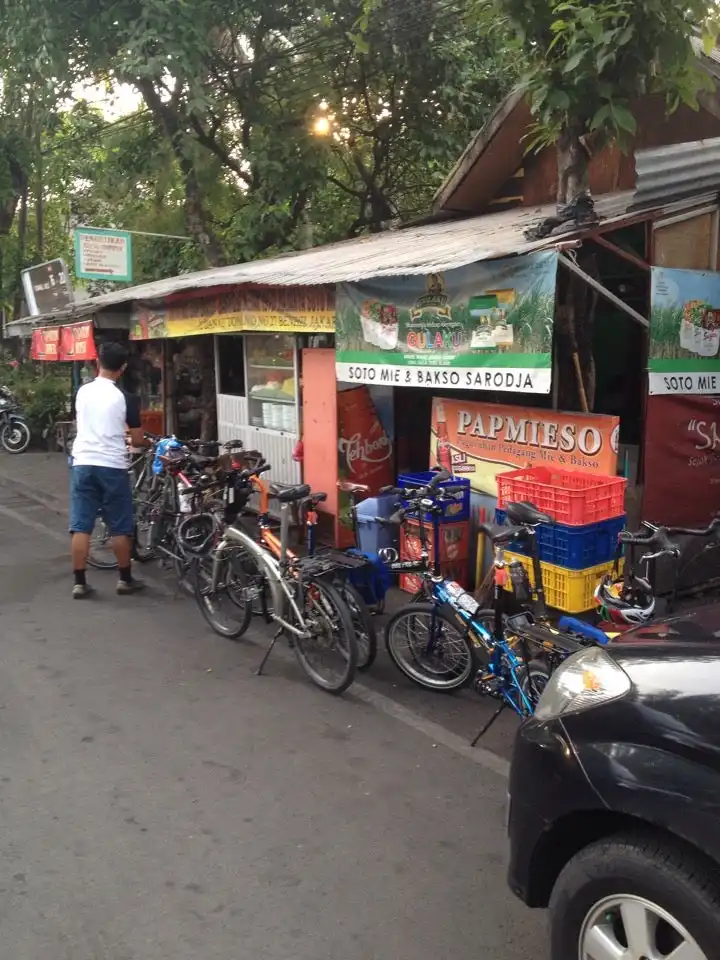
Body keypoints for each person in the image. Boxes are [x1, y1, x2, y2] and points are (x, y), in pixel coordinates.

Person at [69, 341, 146, 599]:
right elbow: (137, 439)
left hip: (82, 463)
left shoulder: (82, 391)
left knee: (81, 525)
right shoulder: (126, 398)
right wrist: (136, 440)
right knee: (120, 526)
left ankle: (79, 582)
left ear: (97, 363)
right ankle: (125, 579)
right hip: (111, 466)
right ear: (122, 368)